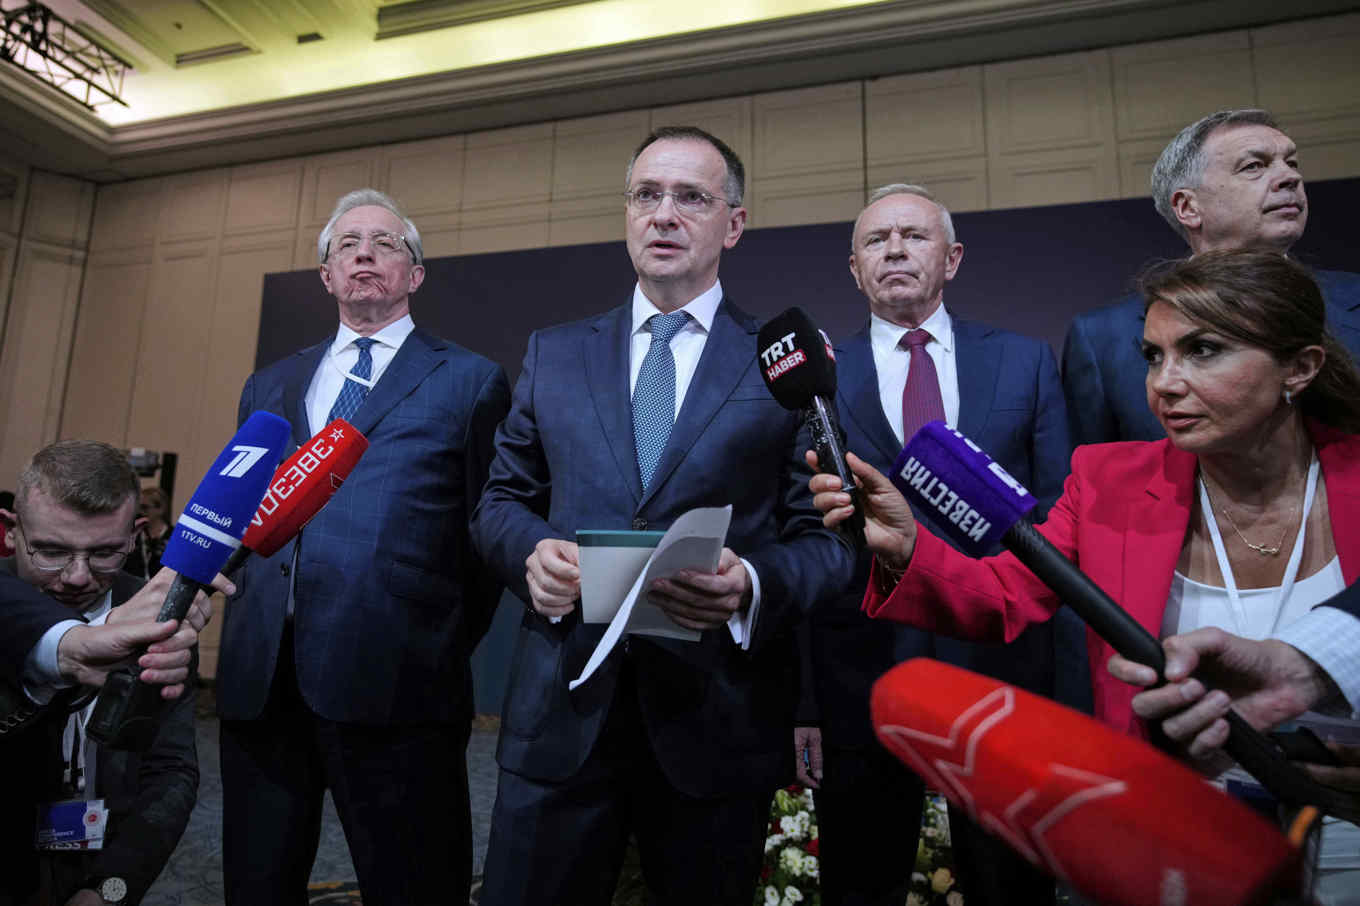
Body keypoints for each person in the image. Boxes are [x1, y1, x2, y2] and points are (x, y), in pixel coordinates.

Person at [812, 250, 1360, 903]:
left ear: (1299, 367)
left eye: (1204, 351)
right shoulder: (1107, 480)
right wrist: (905, 547)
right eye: (1153, 356)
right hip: (1175, 847)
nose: (1166, 383)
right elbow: (1001, 594)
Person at [470, 126, 855, 905]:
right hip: (562, 716)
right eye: (647, 195)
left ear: (733, 224)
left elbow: (829, 541)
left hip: (715, 725)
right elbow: (500, 504)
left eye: (691, 198)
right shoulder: (555, 353)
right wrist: (529, 555)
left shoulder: (784, 363)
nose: (664, 215)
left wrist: (749, 581)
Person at [219, 188, 510, 906]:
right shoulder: (270, 383)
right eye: (346, 245)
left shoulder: (470, 381)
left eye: (385, 243)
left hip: (399, 680)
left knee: (412, 884)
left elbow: (486, 538)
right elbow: (237, 510)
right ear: (326, 276)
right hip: (264, 681)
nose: (364, 254)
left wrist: (426, 631)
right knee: (256, 883)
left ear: (414, 273)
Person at [794, 184, 1079, 906]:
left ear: (951, 259)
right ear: (854, 270)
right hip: (860, 677)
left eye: (914, 237)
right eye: (876, 240)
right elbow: (796, 539)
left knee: (1010, 886)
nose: (895, 249)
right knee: (861, 881)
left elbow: (1058, 526)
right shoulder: (816, 386)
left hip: (1002, 677)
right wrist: (802, 699)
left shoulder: (1025, 362)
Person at [1062, 108, 1360, 446]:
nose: (1289, 178)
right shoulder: (1103, 339)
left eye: (1291, 163)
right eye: (1254, 166)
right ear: (1188, 207)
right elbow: (1092, 484)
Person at [0, 441, 197, 906]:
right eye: (50, 551)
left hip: (104, 855)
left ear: (135, 537)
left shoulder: (164, 616)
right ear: (10, 532)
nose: (77, 576)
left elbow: (170, 774)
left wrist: (109, 891)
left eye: (105, 552)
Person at [122, 488, 170, 581]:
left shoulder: (175, 538)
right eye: (138, 507)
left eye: (144, 507)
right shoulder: (131, 535)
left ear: (161, 509)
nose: (140, 512)